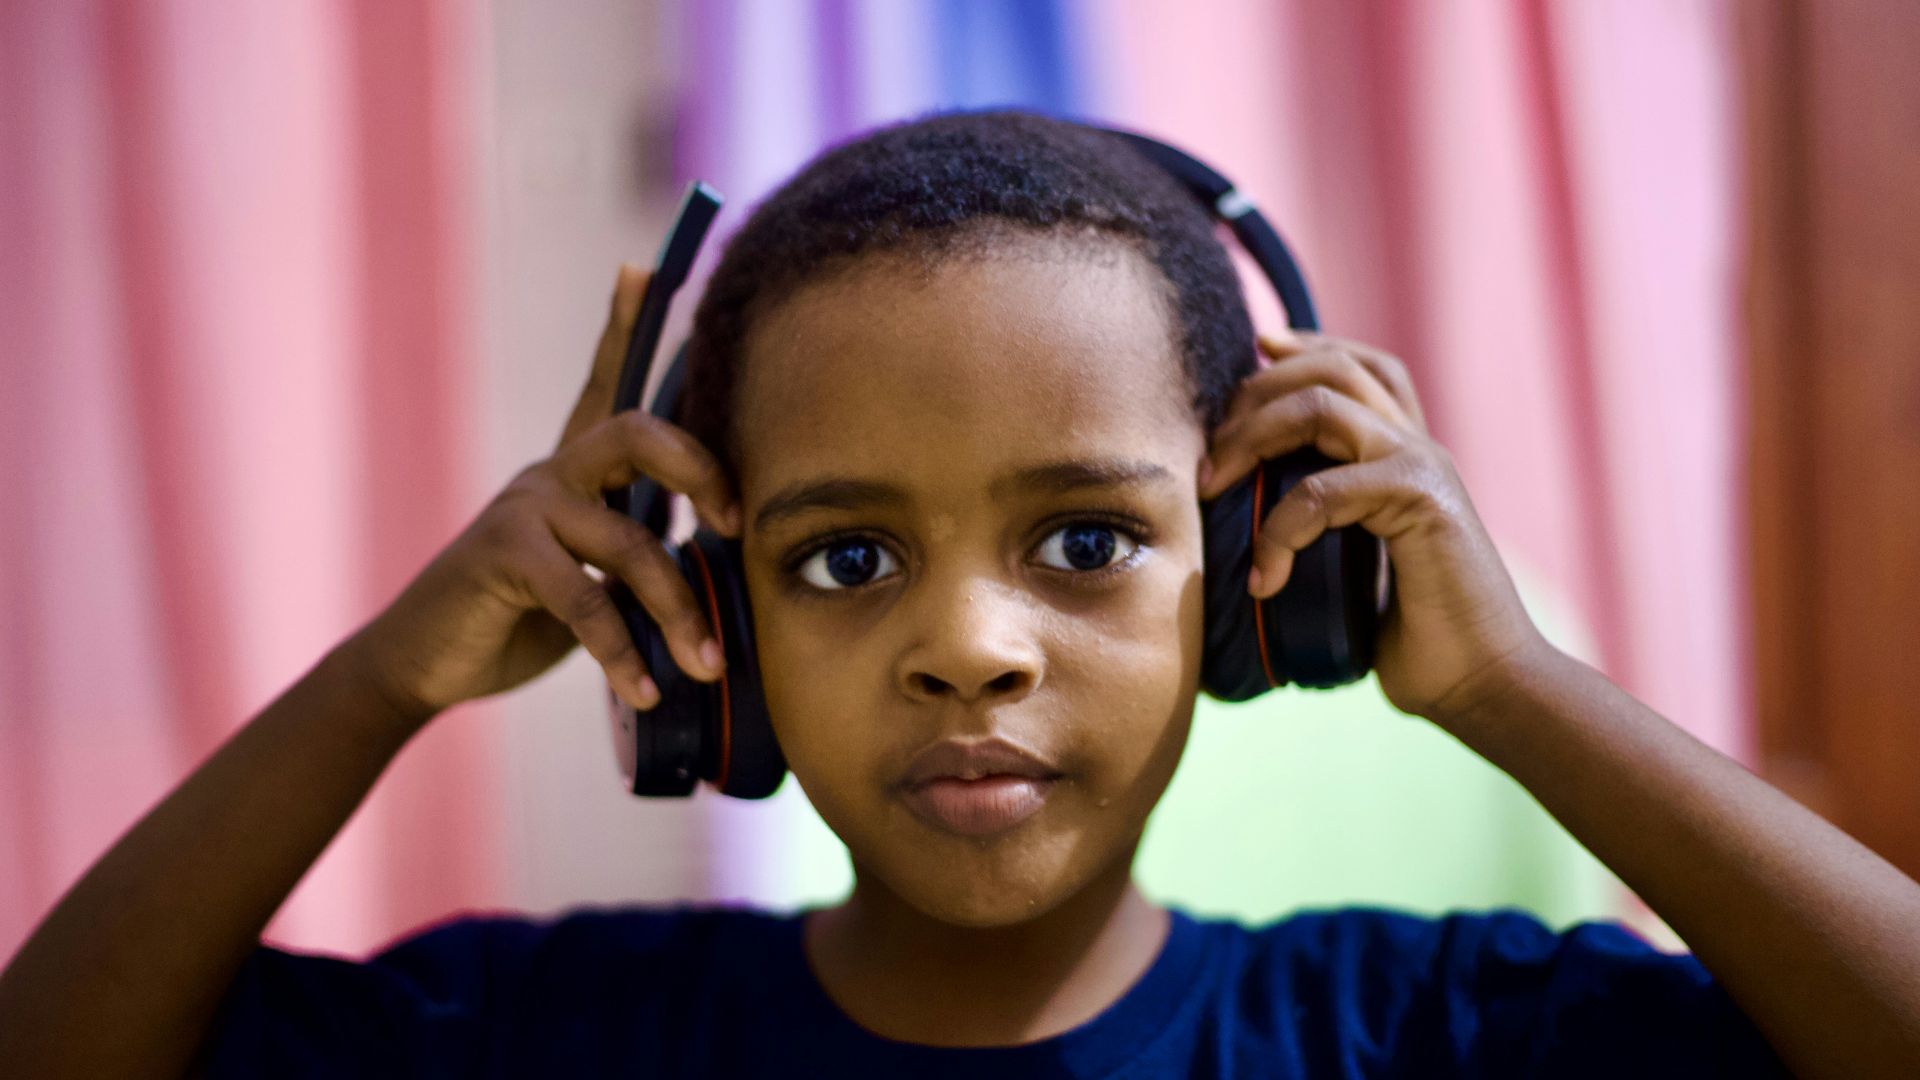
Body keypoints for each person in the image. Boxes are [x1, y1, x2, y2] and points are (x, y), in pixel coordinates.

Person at [1, 108, 1915, 1079]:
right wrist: (382, 682)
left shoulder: (1416, 1035)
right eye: (845, 559)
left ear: (1264, 580)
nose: (971, 649)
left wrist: (1514, 686)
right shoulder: (568, 1035)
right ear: (708, 623)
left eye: (1084, 542)